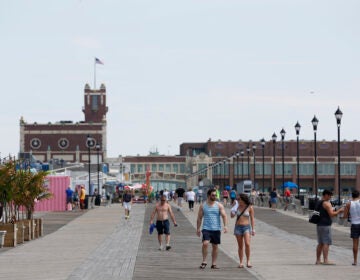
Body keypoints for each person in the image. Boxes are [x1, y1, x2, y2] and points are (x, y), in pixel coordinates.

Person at [196, 189, 228, 270]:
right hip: (206, 228)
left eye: (215, 195)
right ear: (208, 195)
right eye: (213, 195)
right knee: (205, 243)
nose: (215, 196)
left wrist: (225, 226)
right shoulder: (203, 205)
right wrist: (198, 229)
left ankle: (214, 264)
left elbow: (224, 215)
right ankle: (204, 261)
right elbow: (199, 218)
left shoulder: (219, 205)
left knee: (215, 246)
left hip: (216, 228)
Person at [315, 190, 344, 265]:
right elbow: (331, 214)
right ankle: (325, 260)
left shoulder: (319, 202)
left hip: (319, 224)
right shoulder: (327, 203)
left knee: (320, 243)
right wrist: (339, 211)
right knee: (326, 243)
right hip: (326, 225)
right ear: (326, 195)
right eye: (330, 195)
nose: (331, 197)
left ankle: (318, 260)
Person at [230, 193, 255, 268]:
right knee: (240, 246)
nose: (238, 200)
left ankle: (248, 261)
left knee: (247, 244)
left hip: (246, 227)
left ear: (243, 199)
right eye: (238, 199)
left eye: (239, 199)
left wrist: (253, 229)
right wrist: (233, 209)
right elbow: (232, 216)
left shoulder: (250, 207)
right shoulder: (237, 206)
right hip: (238, 227)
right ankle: (241, 262)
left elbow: (252, 219)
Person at [343, 190, 360, 265]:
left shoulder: (348, 204)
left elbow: (345, 216)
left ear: (352, 196)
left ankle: (355, 261)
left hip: (354, 224)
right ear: (359, 195)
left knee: (355, 243)